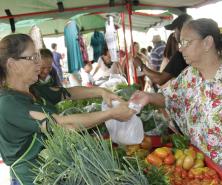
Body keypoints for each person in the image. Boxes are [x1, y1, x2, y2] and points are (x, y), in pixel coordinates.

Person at [0, 34, 135, 185]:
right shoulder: (8, 104)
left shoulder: (34, 90)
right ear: (12, 64)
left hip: (49, 174)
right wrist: (110, 114)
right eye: (32, 58)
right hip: (29, 179)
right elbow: (64, 125)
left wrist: (102, 92)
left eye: (38, 56)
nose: (39, 64)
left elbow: (68, 93)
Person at [131, 18, 222, 168]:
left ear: (207, 43)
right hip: (199, 166)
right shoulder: (190, 74)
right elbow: (170, 98)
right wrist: (148, 96)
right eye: (180, 44)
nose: (180, 49)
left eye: (186, 43)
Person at [134, 14, 192, 86]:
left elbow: (160, 79)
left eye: (175, 30)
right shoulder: (194, 51)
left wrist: (141, 66)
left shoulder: (180, 55)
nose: (173, 34)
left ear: (182, 30)